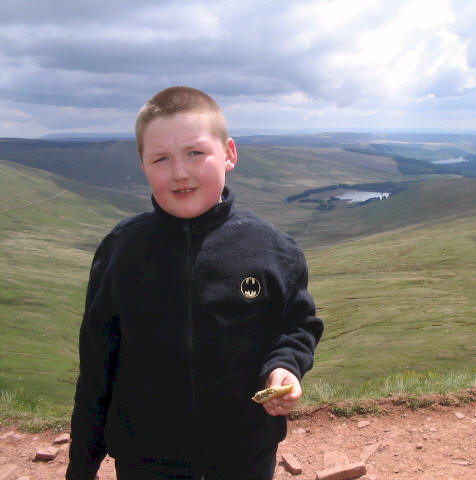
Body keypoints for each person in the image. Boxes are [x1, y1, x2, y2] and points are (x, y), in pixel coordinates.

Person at [66, 86, 324, 480]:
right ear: (143, 165)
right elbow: (98, 364)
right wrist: (81, 468)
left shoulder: (273, 249)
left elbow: (296, 324)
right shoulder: (121, 251)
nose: (180, 172)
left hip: (244, 455)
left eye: (195, 153)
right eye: (161, 159)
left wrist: (285, 365)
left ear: (229, 154)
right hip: (146, 461)